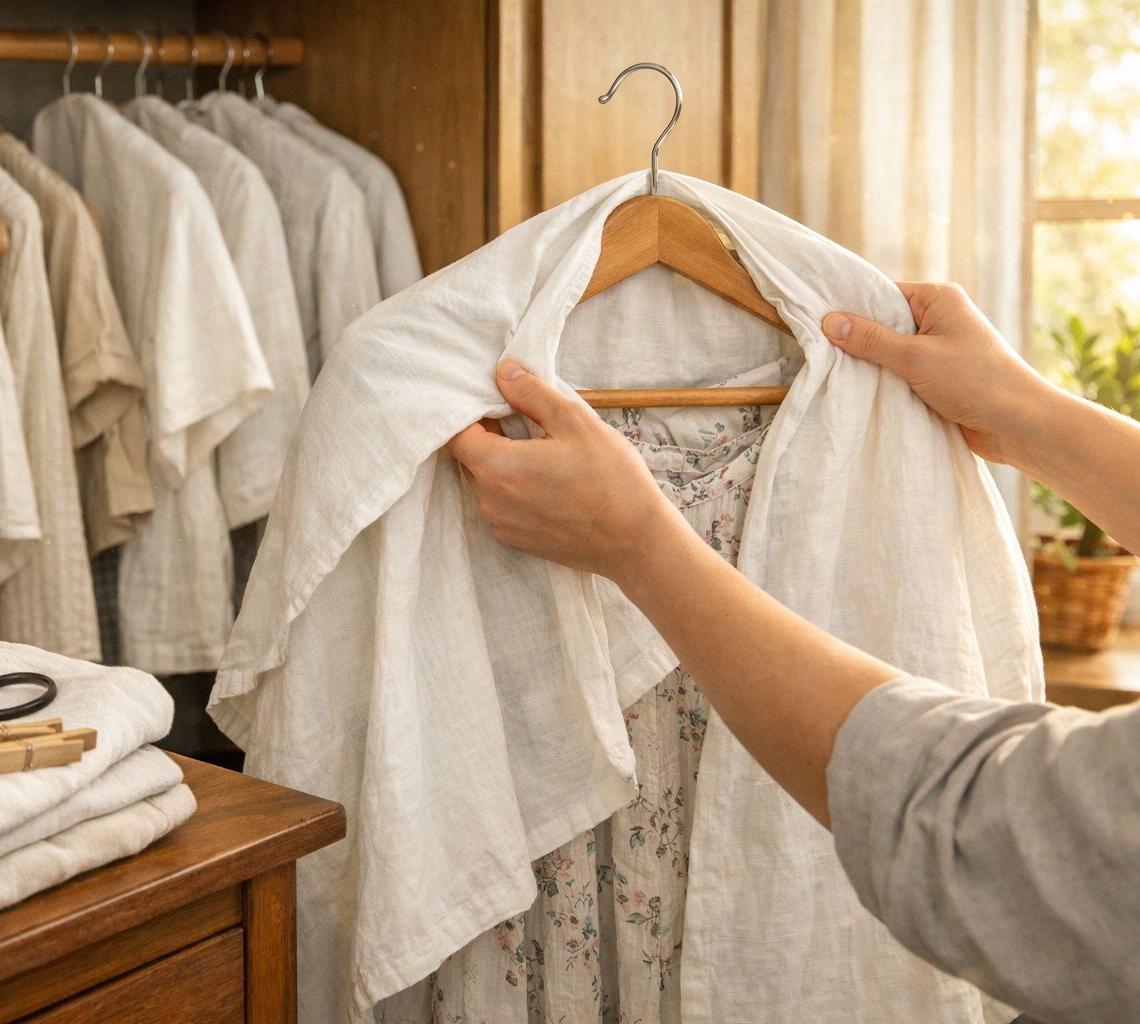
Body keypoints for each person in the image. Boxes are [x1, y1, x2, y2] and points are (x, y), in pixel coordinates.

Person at [446, 281, 1140, 1024]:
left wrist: (641, 544)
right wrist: (1027, 413)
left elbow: (979, 831)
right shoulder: (429, 371)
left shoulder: (878, 432)